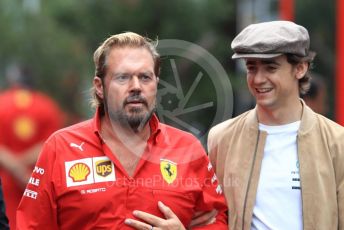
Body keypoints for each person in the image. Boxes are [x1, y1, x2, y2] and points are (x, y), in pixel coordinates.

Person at [16, 32, 228, 229]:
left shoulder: (188, 148)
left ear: (156, 84)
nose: (136, 86)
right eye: (123, 77)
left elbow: (217, 221)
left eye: (145, 77)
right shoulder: (60, 147)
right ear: (100, 87)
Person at [207, 21, 344, 230]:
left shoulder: (337, 141)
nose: (259, 79)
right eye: (251, 68)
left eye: (271, 67)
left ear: (300, 68)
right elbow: (210, 218)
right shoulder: (221, 138)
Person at [0, 64, 65, 229]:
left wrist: (14, 166)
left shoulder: (2, 102)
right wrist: (23, 168)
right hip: (36, 180)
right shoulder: (47, 106)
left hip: (4, 182)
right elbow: (54, 142)